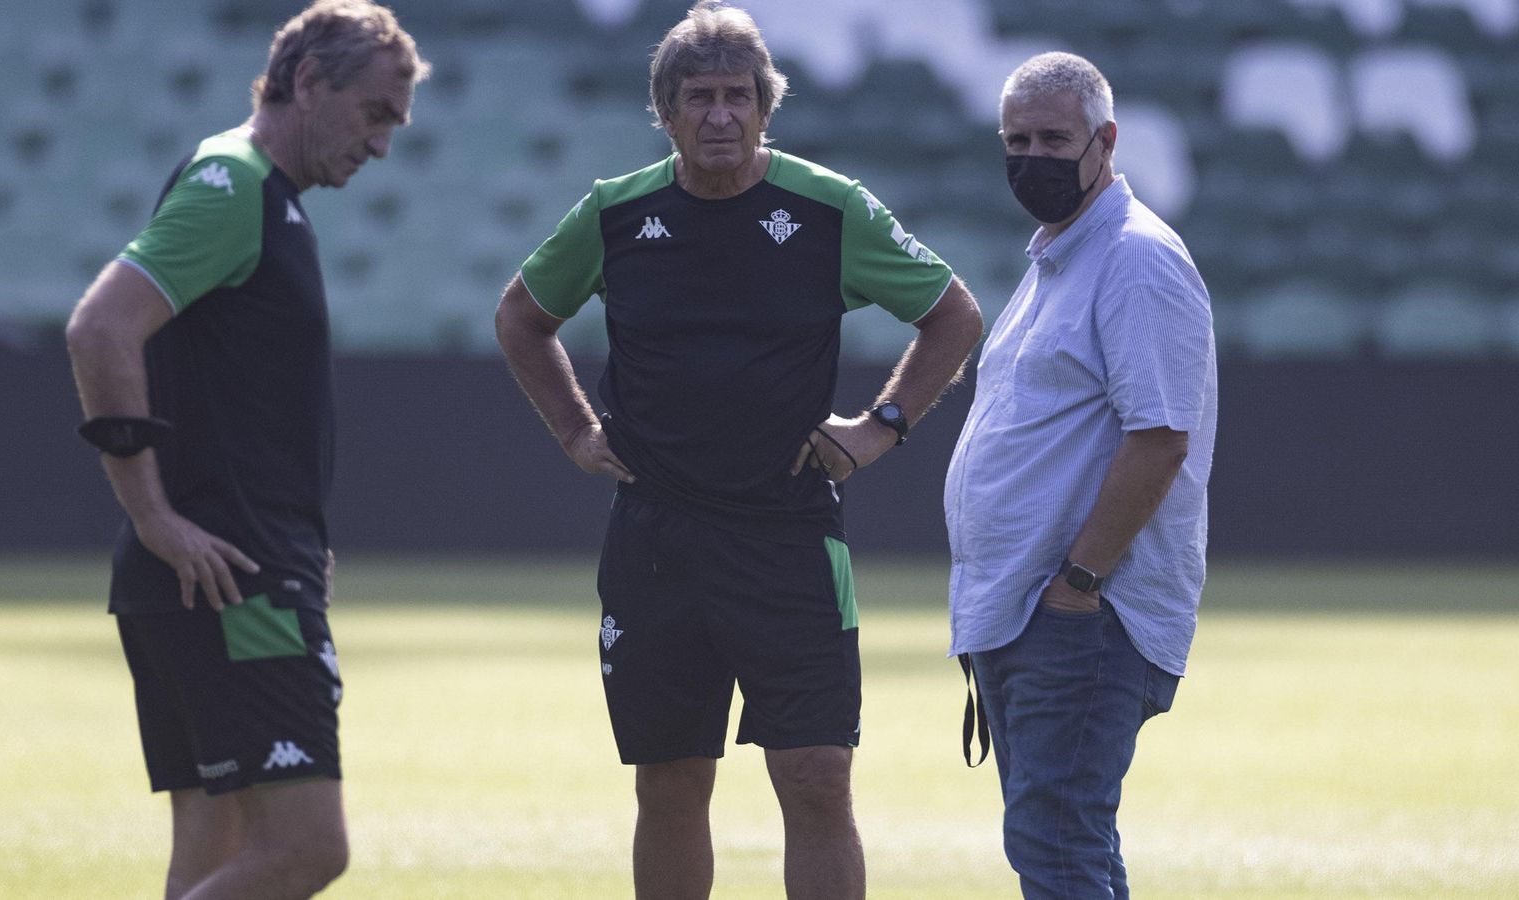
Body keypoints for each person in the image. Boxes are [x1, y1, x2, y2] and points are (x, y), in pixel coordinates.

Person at [495, 3, 982, 897]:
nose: (720, 115)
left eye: (737, 96)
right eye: (699, 98)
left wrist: (881, 427)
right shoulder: (614, 213)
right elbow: (522, 317)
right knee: (671, 783)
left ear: (765, 107)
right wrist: (573, 428)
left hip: (788, 538)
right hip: (655, 540)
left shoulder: (829, 208)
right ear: (666, 112)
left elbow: (953, 313)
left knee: (817, 778)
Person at [64, 3, 428, 897]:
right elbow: (100, 328)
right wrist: (154, 516)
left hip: (217, 571)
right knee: (308, 848)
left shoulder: (260, 195)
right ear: (308, 81)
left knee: (218, 841)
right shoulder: (234, 185)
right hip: (234, 578)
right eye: (374, 113)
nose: (383, 145)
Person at [944, 51, 1217, 898]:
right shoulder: (1059, 259)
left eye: (1054, 139)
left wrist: (1078, 585)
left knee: (1055, 843)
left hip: (1078, 615)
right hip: (1026, 609)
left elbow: (1160, 439)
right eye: (1016, 141)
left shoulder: (1135, 258)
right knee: (1069, 843)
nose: (1033, 157)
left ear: (1106, 141)